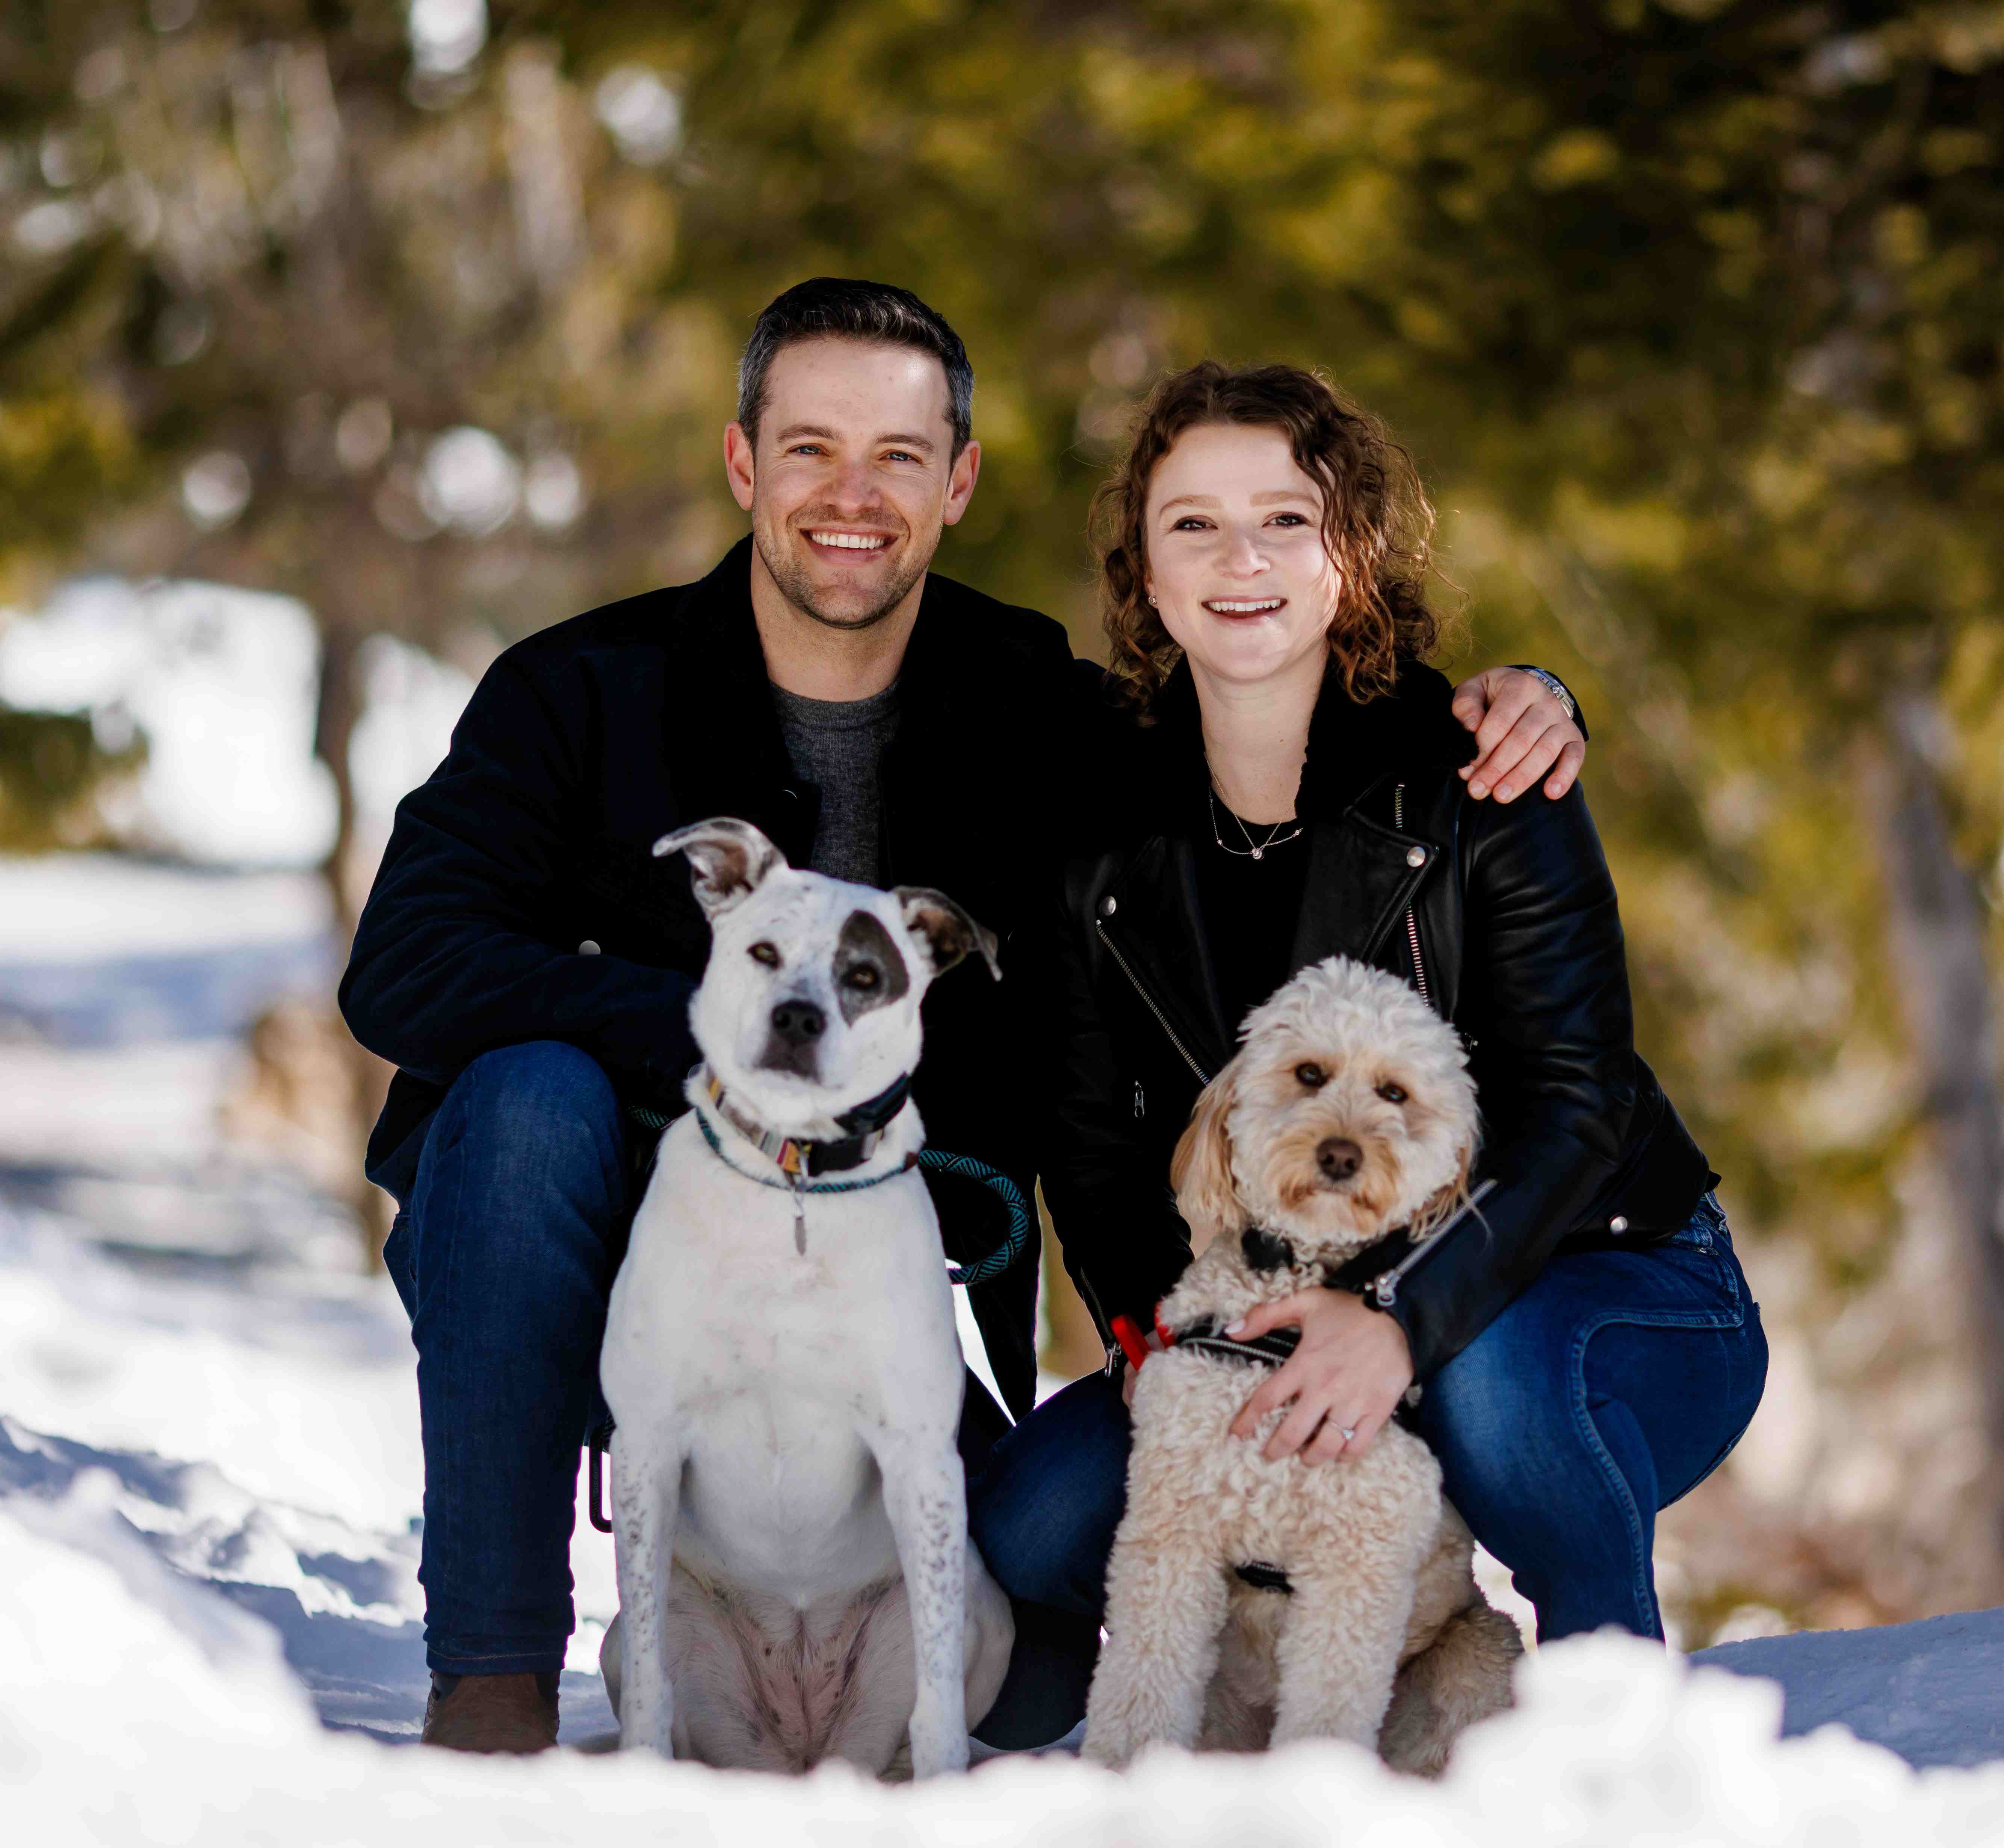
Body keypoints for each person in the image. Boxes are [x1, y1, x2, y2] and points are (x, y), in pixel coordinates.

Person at [338, 281, 1588, 1754]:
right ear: (742, 466)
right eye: (808, 451)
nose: (850, 497)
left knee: (1031, 1676)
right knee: (524, 1098)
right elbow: (402, 967)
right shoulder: (576, 692)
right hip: (600, 1251)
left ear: (959, 480)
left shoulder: (1034, 707)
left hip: (878, 1268)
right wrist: (714, 1023)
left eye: (897, 455)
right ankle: (491, 1680)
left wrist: (1497, 708)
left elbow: (1263, 710)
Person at [969, 361, 1767, 1734]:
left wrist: (1396, 1329)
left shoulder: (1484, 774)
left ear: (1353, 553)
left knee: (1495, 1393)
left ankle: (1607, 1743)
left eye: (1286, 520)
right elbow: (1093, 1151)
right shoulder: (1098, 831)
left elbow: (1575, 1108)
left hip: (1590, 1275)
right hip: (1256, 1288)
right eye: (1194, 526)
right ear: (1144, 576)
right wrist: (1195, 1340)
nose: (1242, 561)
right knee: (1041, 1523)